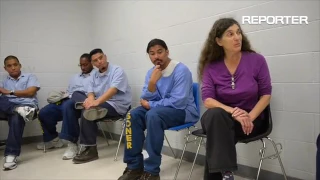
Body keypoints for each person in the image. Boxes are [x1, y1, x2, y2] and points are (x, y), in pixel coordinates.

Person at [198, 17, 272, 180]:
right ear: (218, 41)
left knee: (216, 136)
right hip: (221, 117)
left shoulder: (256, 60)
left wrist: (248, 116)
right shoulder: (211, 66)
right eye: (230, 34)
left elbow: (266, 95)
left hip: (250, 121)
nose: (237, 37)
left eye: (238, 32)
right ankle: (226, 171)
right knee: (216, 116)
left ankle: (225, 173)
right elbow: (208, 100)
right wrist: (234, 112)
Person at [118, 39, 199, 180]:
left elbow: (178, 102)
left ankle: (151, 171)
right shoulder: (152, 72)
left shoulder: (181, 70)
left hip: (184, 112)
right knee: (132, 115)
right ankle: (134, 167)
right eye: (152, 53)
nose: (156, 56)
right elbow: (146, 97)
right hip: (160, 111)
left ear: (167, 52)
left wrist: (151, 105)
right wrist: (152, 83)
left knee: (153, 115)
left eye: (160, 52)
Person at [72, 48, 132, 164]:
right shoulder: (94, 74)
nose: (99, 61)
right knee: (76, 94)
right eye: (95, 60)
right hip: (100, 103)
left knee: (87, 112)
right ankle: (89, 107)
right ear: (93, 64)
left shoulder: (117, 70)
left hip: (117, 105)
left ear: (105, 56)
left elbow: (113, 90)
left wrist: (96, 102)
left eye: (101, 58)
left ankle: (91, 151)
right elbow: (90, 90)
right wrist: (90, 99)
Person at [36, 53, 95, 160]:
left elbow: (95, 94)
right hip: (68, 100)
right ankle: (54, 140)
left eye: (85, 64)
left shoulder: (96, 76)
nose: (83, 67)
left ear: (92, 63)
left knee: (68, 105)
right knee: (44, 112)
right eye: (80, 65)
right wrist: (63, 94)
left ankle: (72, 144)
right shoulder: (74, 77)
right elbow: (70, 92)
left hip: (83, 103)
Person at [0, 55, 40, 170]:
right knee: (7, 104)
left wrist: (9, 92)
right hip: (9, 108)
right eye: (9, 66)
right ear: (5, 68)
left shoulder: (30, 77)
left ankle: (11, 155)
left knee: (16, 116)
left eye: (15, 65)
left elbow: (30, 92)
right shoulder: (4, 81)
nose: (13, 68)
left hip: (27, 107)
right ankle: (15, 109)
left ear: (20, 65)